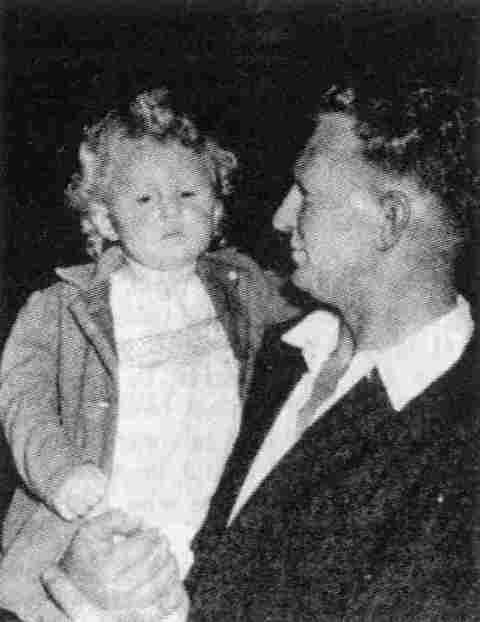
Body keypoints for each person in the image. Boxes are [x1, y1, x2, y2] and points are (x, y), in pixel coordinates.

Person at [1, 79, 479, 620]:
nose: (280, 217)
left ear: (389, 220)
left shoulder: (459, 461)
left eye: (306, 193)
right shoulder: (269, 345)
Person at [0, 89, 295, 620]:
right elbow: (22, 398)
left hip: (207, 529)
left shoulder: (243, 285)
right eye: (143, 199)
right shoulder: (61, 307)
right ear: (105, 219)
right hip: (103, 533)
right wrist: (59, 472)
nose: (170, 211)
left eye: (188, 192)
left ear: (217, 206)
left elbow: (325, 324)